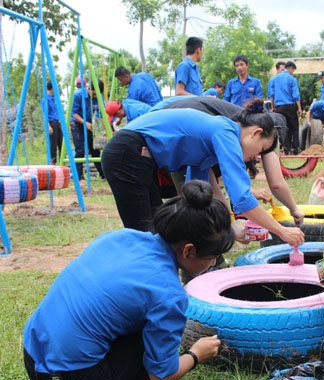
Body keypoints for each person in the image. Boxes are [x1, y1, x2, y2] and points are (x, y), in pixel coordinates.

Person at [23, 180, 231, 380]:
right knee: (151, 337)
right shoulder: (169, 294)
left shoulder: (120, 237)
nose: (213, 263)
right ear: (189, 251)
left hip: (32, 355)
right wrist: (196, 354)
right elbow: (161, 376)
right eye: (213, 256)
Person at [101, 98, 305, 246]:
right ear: (255, 133)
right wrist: (281, 231)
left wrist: (229, 226)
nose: (256, 157)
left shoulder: (207, 149)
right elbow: (241, 198)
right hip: (128, 153)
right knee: (146, 237)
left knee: (158, 231)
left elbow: (204, 196)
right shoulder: (225, 132)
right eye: (260, 150)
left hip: (138, 156)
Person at [164, 96, 305, 226]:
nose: (257, 156)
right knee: (194, 203)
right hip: (173, 131)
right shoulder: (236, 133)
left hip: (174, 117)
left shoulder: (245, 126)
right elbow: (275, 184)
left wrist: (230, 223)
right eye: (261, 149)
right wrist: (291, 214)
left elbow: (214, 182)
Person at [70, 78, 105, 181]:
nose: (95, 97)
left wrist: (105, 129)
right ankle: (79, 177)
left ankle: (103, 175)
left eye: (96, 95)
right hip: (77, 123)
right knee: (80, 150)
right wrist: (84, 122)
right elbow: (74, 113)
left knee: (94, 150)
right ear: (89, 89)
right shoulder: (78, 95)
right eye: (93, 94)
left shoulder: (100, 97)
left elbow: (102, 114)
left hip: (89, 125)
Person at [269, 61, 302, 155]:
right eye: (293, 70)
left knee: (283, 128)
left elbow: (271, 95)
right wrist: (299, 108)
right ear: (291, 68)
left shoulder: (274, 79)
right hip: (290, 106)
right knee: (294, 128)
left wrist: (272, 107)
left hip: (279, 107)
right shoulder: (292, 79)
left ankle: (286, 149)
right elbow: (296, 95)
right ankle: (296, 149)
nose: (292, 72)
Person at [44, 81, 63, 165]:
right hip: (51, 123)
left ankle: (62, 161)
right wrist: (48, 126)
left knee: (61, 142)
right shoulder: (46, 99)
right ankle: (53, 162)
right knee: (53, 144)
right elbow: (45, 114)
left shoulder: (54, 98)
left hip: (57, 122)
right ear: (52, 88)